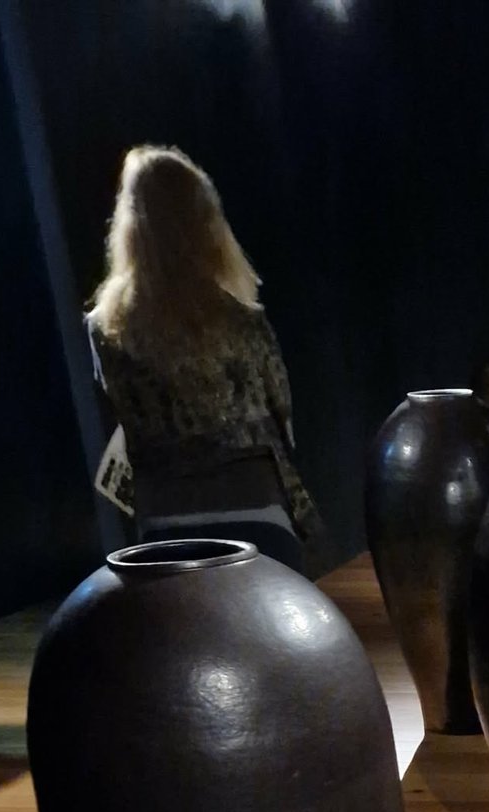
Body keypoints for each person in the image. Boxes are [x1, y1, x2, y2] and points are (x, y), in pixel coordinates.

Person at [86, 146, 327, 574]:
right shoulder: (244, 322)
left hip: (163, 533)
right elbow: (282, 425)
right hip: (257, 519)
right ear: (205, 223)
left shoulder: (104, 331)